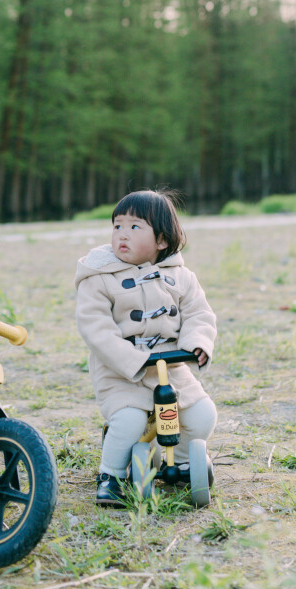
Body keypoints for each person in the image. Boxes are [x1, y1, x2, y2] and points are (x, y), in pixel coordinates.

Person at [75, 190, 217, 506]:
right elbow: (94, 326)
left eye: (135, 227)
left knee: (202, 414)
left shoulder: (181, 277)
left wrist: (196, 344)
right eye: (117, 226)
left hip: (171, 367)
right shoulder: (99, 276)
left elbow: (199, 313)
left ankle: (179, 462)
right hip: (122, 371)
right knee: (129, 422)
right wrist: (130, 359)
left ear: (162, 241)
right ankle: (111, 474)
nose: (122, 234)